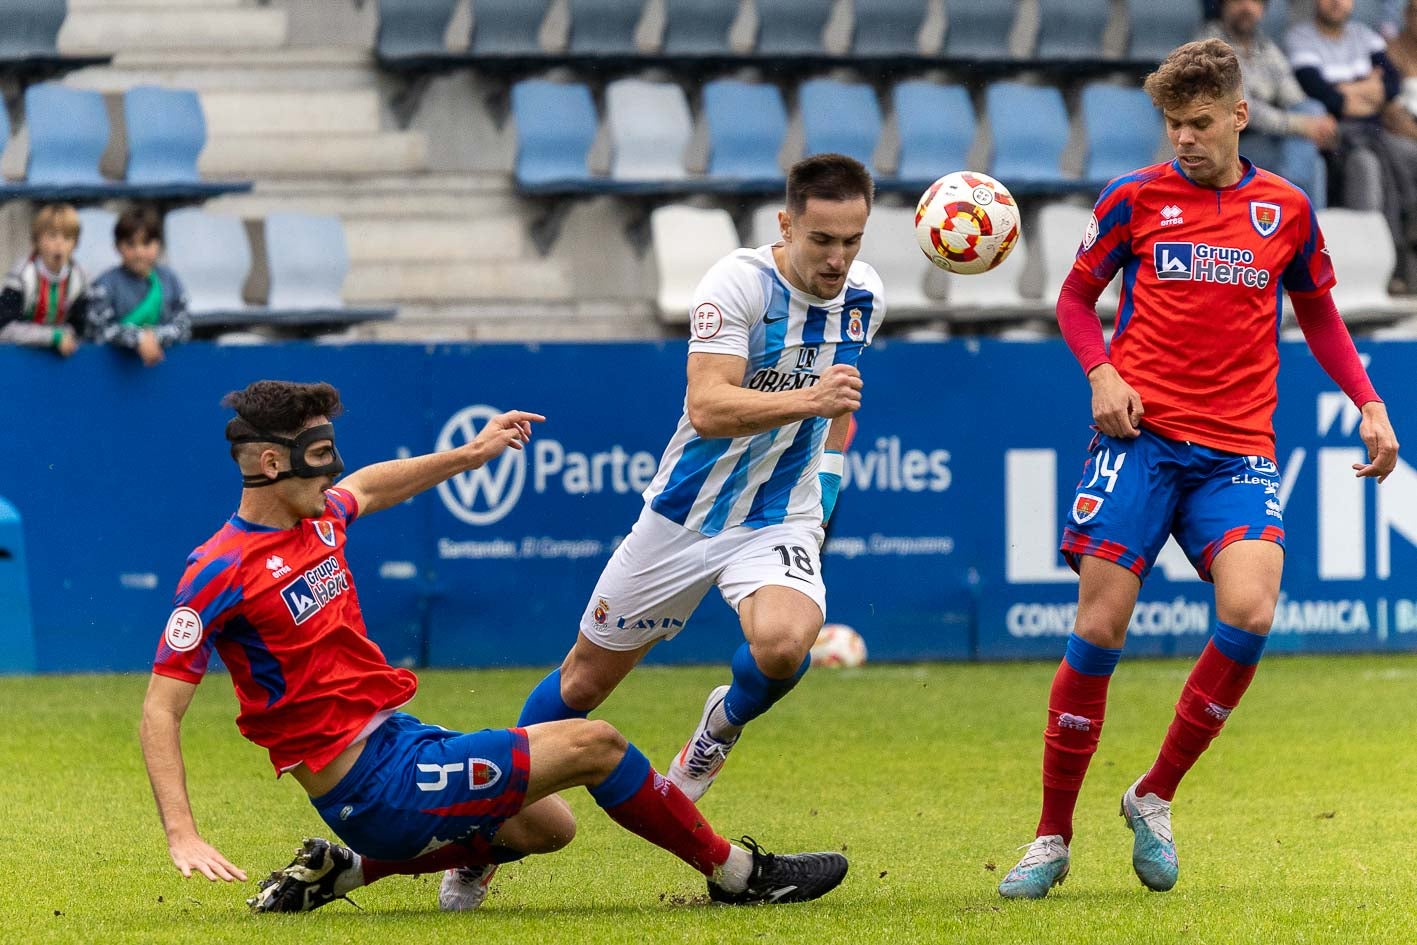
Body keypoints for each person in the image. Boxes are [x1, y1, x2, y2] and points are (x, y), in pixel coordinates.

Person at [139, 380, 848, 915]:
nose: (332, 471)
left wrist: (472, 453)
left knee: (549, 825)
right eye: (317, 456)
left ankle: (345, 871)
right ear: (269, 461)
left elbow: (368, 486)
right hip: (367, 784)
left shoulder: (318, 519)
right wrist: (182, 834)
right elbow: (160, 712)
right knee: (595, 744)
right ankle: (738, 875)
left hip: (399, 743)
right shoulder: (218, 569)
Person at [997, 38, 1400, 900]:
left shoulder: (1285, 208)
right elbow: (1073, 299)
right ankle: (1050, 834)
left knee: (1250, 611)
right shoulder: (1133, 199)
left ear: (1239, 115)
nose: (1183, 139)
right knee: (1099, 627)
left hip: (1237, 450)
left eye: (1199, 123)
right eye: (1172, 124)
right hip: (1139, 438)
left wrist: (1367, 399)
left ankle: (1152, 794)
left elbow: (1319, 314)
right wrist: (1100, 370)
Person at [514, 153, 884, 804]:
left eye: (851, 241)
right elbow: (708, 407)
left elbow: (839, 407)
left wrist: (821, 498)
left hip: (777, 515)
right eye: (821, 240)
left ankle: (717, 729)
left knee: (781, 646)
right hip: (684, 513)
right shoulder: (737, 284)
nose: (836, 258)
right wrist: (809, 400)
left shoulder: (864, 297)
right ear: (786, 224)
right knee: (582, 683)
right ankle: (484, 823)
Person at [1287, 0, 1417, 290]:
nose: (1336, 3)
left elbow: (1391, 86)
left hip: (1375, 131)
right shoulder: (1301, 37)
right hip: (1334, 137)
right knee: (1367, 167)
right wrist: (1366, 88)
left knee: (1408, 155)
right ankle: (1372, 270)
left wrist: (1346, 91)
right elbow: (1320, 93)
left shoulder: (1364, 35)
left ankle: (1407, 256)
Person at [1202, 0, 1337, 203]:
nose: (1247, 7)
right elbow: (1242, 109)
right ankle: (1297, 210)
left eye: (1255, 2)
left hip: (1268, 138)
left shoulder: (1263, 45)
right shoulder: (1209, 47)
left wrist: (1316, 123)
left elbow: (1294, 96)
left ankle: (1299, 211)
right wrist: (1302, 125)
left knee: (1313, 112)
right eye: (1239, 1)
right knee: (1310, 160)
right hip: (1229, 144)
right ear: (1223, 5)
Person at [91, 206, 191, 366]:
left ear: (158, 244)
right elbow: (99, 330)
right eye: (130, 244)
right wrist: (138, 339)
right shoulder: (104, 284)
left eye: (146, 243)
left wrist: (154, 338)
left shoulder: (171, 279)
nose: (139, 252)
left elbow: (184, 326)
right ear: (117, 246)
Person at [0, 203, 94, 356]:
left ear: (75, 244)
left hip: (58, 361)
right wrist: (52, 337)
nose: (59, 244)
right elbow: (4, 328)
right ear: (36, 240)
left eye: (67, 237)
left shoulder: (80, 279)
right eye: (52, 236)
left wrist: (64, 337)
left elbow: (82, 329)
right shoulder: (22, 275)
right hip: (19, 357)